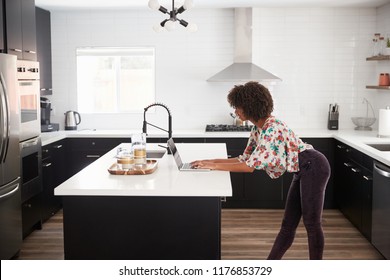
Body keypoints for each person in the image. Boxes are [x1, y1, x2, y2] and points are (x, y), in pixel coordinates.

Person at [191, 81, 331, 260]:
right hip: (302, 169)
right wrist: (208, 161)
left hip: (314, 166)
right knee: (288, 225)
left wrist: (214, 166)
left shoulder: (271, 128)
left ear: (249, 107)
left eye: (237, 107)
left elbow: (249, 167)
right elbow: (244, 158)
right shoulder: (259, 129)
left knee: (312, 224)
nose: (235, 112)